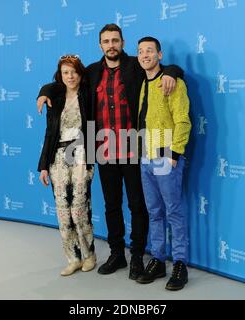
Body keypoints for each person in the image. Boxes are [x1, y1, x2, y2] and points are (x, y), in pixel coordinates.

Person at [37, 24, 183, 281]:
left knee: (138, 205)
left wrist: (172, 71)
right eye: (106, 41)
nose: (111, 45)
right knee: (111, 204)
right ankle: (117, 254)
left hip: (134, 145)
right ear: (100, 45)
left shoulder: (136, 65)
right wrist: (44, 92)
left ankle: (137, 256)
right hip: (103, 147)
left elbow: (163, 69)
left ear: (122, 43)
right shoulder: (92, 72)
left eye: (115, 40)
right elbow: (64, 83)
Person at [135, 37, 192, 291]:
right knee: (154, 212)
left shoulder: (172, 82)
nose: (145, 54)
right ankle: (158, 259)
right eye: (140, 51)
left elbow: (183, 120)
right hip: (145, 158)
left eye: (149, 50)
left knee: (173, 212)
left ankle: (180, 263)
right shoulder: (142, 84)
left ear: (159, 54)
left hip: (165, 157)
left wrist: (174, 153)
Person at [37, 55, 96, 276]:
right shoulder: (55, 97)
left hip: (81, 152)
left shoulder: (88, 93)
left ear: (81, 74)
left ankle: (89, 255)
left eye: (73, 72)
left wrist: (90, 161)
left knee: (79, 208)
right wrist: (43, 165)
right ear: (60, 76)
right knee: (63, 211)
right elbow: (49, 134)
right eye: (65, 73)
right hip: (57, 158)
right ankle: (73, 258)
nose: (70, 76)